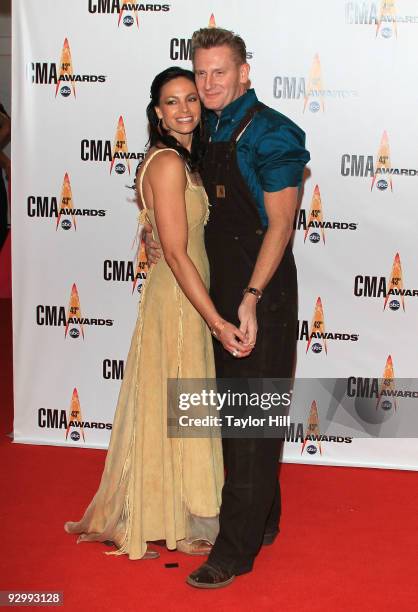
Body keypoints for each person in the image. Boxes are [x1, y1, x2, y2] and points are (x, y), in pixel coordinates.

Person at [144, 28, 310, 588]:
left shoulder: (274, 134)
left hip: (260, 294)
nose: (209, 84)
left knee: (250, 425)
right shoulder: (206, 124)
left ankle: (234, 552)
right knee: (239, 419)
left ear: (245, 73)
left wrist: (252, 299)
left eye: (221, 72)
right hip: (216, 292)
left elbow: (281, 225)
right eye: (202, 72)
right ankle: (265, 517)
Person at [64, 67, 251, 560]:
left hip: (183, 297)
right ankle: (182, 518)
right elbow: (174, 251)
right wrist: (214, 319)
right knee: (182, 406)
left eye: (191, 98)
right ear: (156, 112)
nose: (185, 108)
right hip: (181, 301)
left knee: (179, 408)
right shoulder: (168, 164)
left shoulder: (183, 161)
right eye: (172, 102)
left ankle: (180, 510)